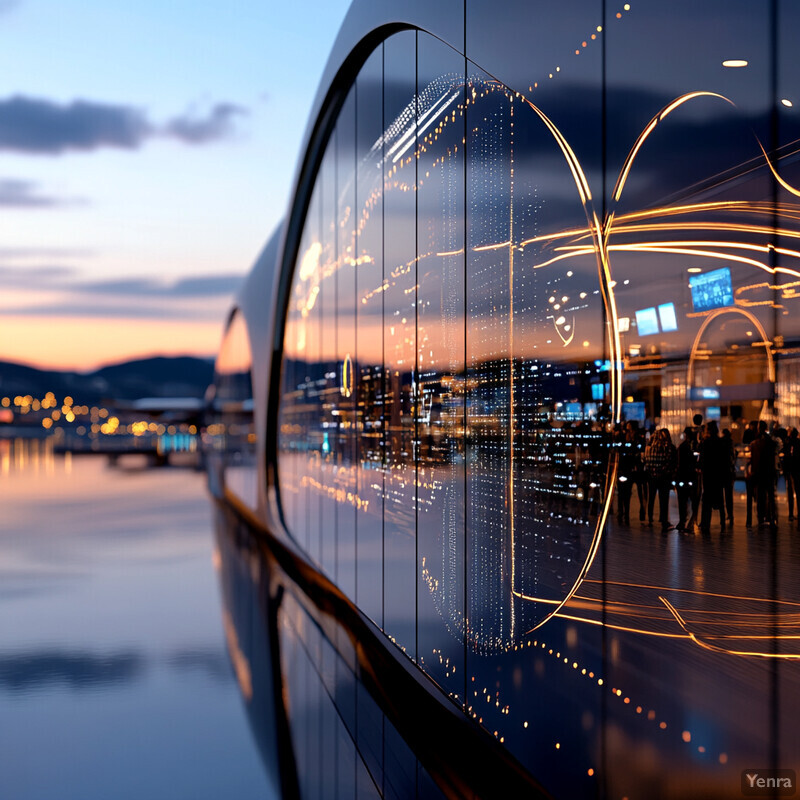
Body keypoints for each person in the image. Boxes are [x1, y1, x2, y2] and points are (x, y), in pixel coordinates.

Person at [644, 428, 677, 531]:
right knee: (663, 500)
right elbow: (669, 462)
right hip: (663, 478)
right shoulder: (668, 448)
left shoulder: (649, 448)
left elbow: (646, 462)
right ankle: (663, 521)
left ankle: (649, 519)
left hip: (652, 477)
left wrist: (652, 472)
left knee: (651, 498)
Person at [699, 420, 727, 533]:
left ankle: (705, 523)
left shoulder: (705, 443)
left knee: (707, 500)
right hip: (718, 474)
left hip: (708, 474)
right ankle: (723, 521)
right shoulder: (720, 442)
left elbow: (702, 460)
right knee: (720, 499)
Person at [750, 420, 778, 528]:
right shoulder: (770, 442)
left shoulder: (756, 443)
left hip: (760, 473)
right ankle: (772, 517)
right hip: (769, 472)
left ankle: (761, 517)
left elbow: (754, 460)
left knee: (760, 496)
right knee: (771, 496)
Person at [675, 427, 699, 533]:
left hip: (682, 476)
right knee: (693, 500)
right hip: (691, 476)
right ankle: (691, 522)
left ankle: (682, 521)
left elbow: (679, 463)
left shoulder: (682, 446)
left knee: (682, 500)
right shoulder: (695, 447)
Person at [721, 428, 736, 526]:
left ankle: (723, 514)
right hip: (729, 472)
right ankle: (730, 514)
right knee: (728, 494)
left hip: (722, 472)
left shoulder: (722, 444)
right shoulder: (731, 444)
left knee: (721, 494)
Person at [786, 427, 800, 526]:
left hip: (790, 469)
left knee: (790, 491)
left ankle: (791, 513)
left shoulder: (788, 442)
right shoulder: (798, 442)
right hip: (797, 469)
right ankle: (798, 512)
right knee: (798, 492)